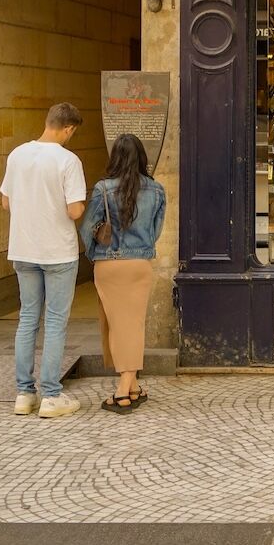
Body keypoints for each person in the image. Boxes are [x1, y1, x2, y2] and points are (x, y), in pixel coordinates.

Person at [2, 102, 87, 418]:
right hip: (58, 252)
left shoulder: (17, 155)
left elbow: (5, 202)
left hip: (23, 248)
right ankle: (51, 395)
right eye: (72, 132)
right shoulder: (68, 160)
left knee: (27, 318)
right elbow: (75, 210)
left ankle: (24, 394)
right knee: (54, 321)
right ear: (68, 129)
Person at [80, 133, 167, 414]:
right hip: (138, 265)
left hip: (108, 264)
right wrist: (141, 250)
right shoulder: (156, 190)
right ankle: (130, 386)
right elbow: (155, 231)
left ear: (114, 157)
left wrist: (96, 256)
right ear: (142, 158)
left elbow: (87, 229)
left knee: (116, 325)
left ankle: (122, 390)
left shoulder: (102, 189)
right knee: (133, 324)